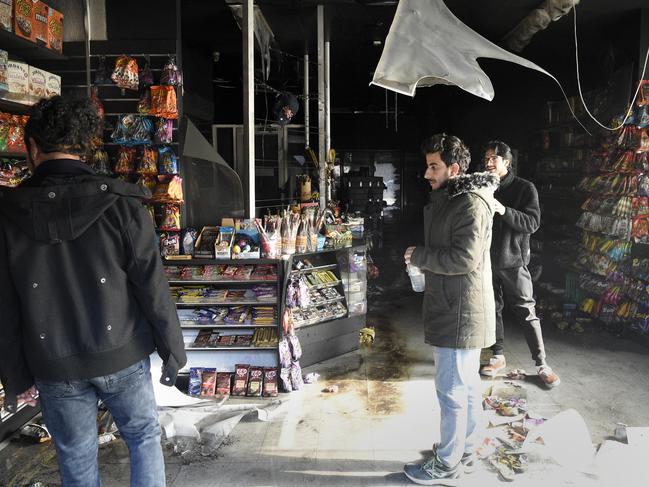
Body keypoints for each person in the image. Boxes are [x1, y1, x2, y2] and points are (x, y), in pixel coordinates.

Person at [0, 96, 187, 486]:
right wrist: (172, 351)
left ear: (32, 147)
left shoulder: (8, 213)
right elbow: (151, 284)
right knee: (142, 437)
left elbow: (4, 305)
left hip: (53, 363)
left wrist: (16, 376)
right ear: (87, 145)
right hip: (122, 353)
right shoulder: (122, 203)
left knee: (75, 454)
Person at [403, 133, 499, 485]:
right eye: (427, 165)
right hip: (453, 304)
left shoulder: (469, 203)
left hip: (460, 310)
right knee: (466, 386)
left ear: (454, 168)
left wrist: (421, 256)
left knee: (452, 389)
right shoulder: (449, 200)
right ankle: (464, 448)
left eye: (434, 166)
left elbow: (464, 258)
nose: (427, 173)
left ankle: (447, 463)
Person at [480, 140, 560, 388]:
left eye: (493, 158)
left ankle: (542, 364)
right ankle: (497, 356)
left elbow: (532, 223)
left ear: (507, 161)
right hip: (485, 260)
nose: (489, 163)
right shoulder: (484, 186)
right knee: (492, 308)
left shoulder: (525, 188)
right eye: (486, 159)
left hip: (513, 261)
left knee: (526, 311)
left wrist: (503, 210)